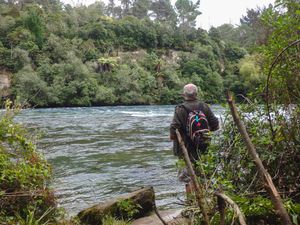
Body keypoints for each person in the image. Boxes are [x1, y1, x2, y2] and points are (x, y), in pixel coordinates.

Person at [170, 83, 219, 192]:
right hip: (203, 146)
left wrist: (174, 138)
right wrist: (202, 134)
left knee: (188, 178)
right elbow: (215, 125)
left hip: (185, 149)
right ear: (197, 94)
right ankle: (204, 198)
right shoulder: (204, 106)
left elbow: (174, 128)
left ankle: (191, 202)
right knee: (203, 174)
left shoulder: (180, 109)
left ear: (184, 95)